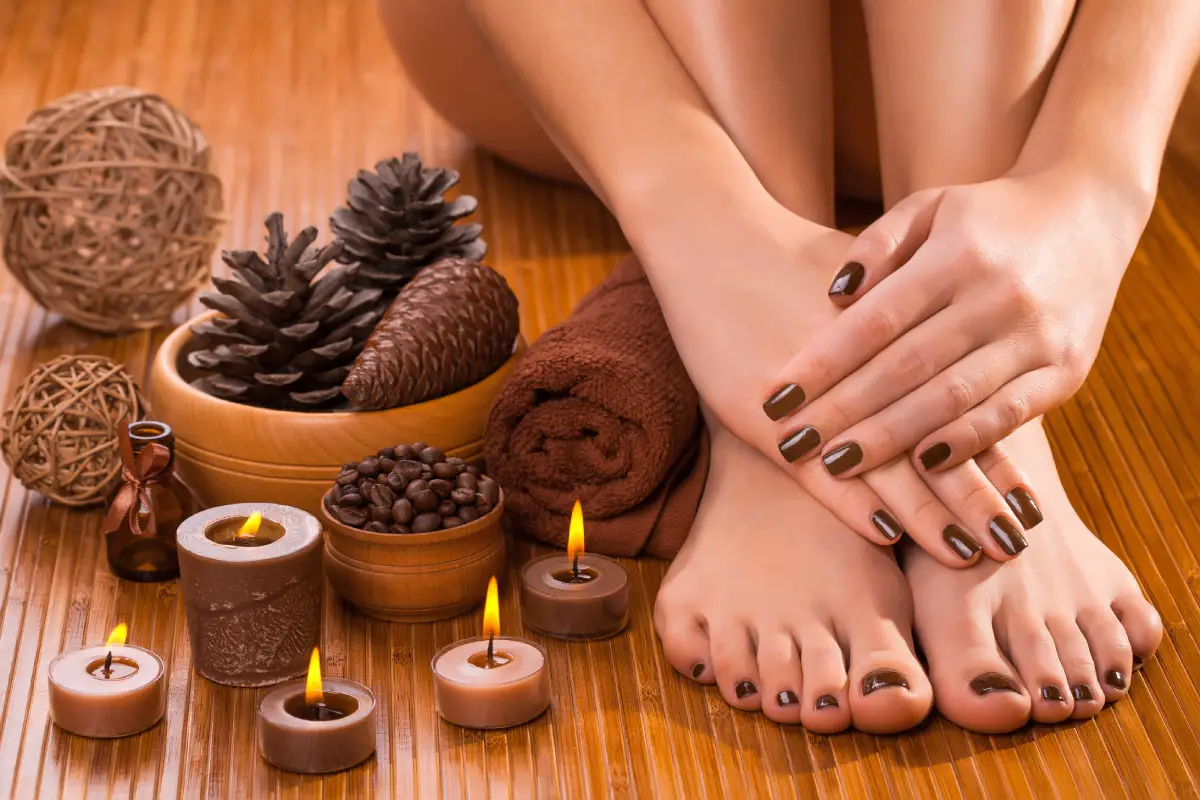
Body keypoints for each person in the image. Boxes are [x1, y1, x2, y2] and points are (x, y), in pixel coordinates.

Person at [380, 0, 1196, 734]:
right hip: (601, 67)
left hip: (1050, 68)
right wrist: (702, 226)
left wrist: (1093, 184)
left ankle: (979, 394)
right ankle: (812, 404)